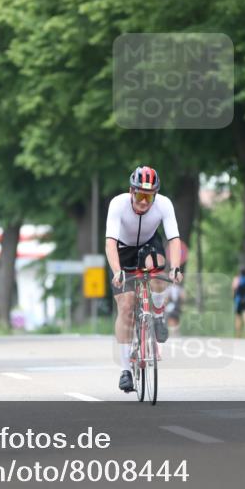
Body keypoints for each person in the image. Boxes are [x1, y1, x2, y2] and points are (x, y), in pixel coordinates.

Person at [106, 166, 183, 393]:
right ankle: (126, 371)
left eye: (149, 196)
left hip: (150, 243)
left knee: (158, 267)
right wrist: (117, 271)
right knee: (126, 306)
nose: (143, 201)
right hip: (122, 249)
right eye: (139, 195)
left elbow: (174, 239)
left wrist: (176, 267)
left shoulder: (164, 204)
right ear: (131, 191)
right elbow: (110, 242)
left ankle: (158, 313)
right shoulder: (117, 204)